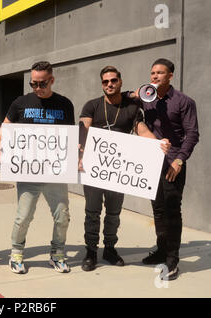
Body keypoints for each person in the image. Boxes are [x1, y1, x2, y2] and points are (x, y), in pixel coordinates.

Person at [78, 66, 170, 272]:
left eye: (113, 81)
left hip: (118, 171)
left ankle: (110, 249)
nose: (109, 84)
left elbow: (142, 130)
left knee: (113, 213)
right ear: (102, 84)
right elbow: (83, 130)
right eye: (105, 82)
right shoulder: (92, 105)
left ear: (120, 82)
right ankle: (91, 252)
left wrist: (158, 144)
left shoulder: (131, 109)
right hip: (94, 168)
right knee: (92, 212)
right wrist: (80, 156)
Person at [3, 61, 75, 274]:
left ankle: (58, 254)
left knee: (62, 216)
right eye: (33, 83)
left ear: (52, 80)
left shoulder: (64, 104)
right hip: (28, 171)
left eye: (42, 84)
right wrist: (3, 139)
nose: (37, 88)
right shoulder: (20, 102)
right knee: (23, 216)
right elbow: (6, 125)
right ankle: (16, 253)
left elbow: (68, 137)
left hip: (55, 171)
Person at [133, 58, 199, 280]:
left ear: (170, 75)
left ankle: (172, 261)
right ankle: (161, 250)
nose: (155, 77)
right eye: (152, 73)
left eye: (160, 73)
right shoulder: (146, 97)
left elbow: (192, 134)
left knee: (172, 211)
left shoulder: (184, 101)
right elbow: (122, 100)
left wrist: (180, 160)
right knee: (158, 210)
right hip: (151, 162)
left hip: (172, 163)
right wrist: (134, 94)